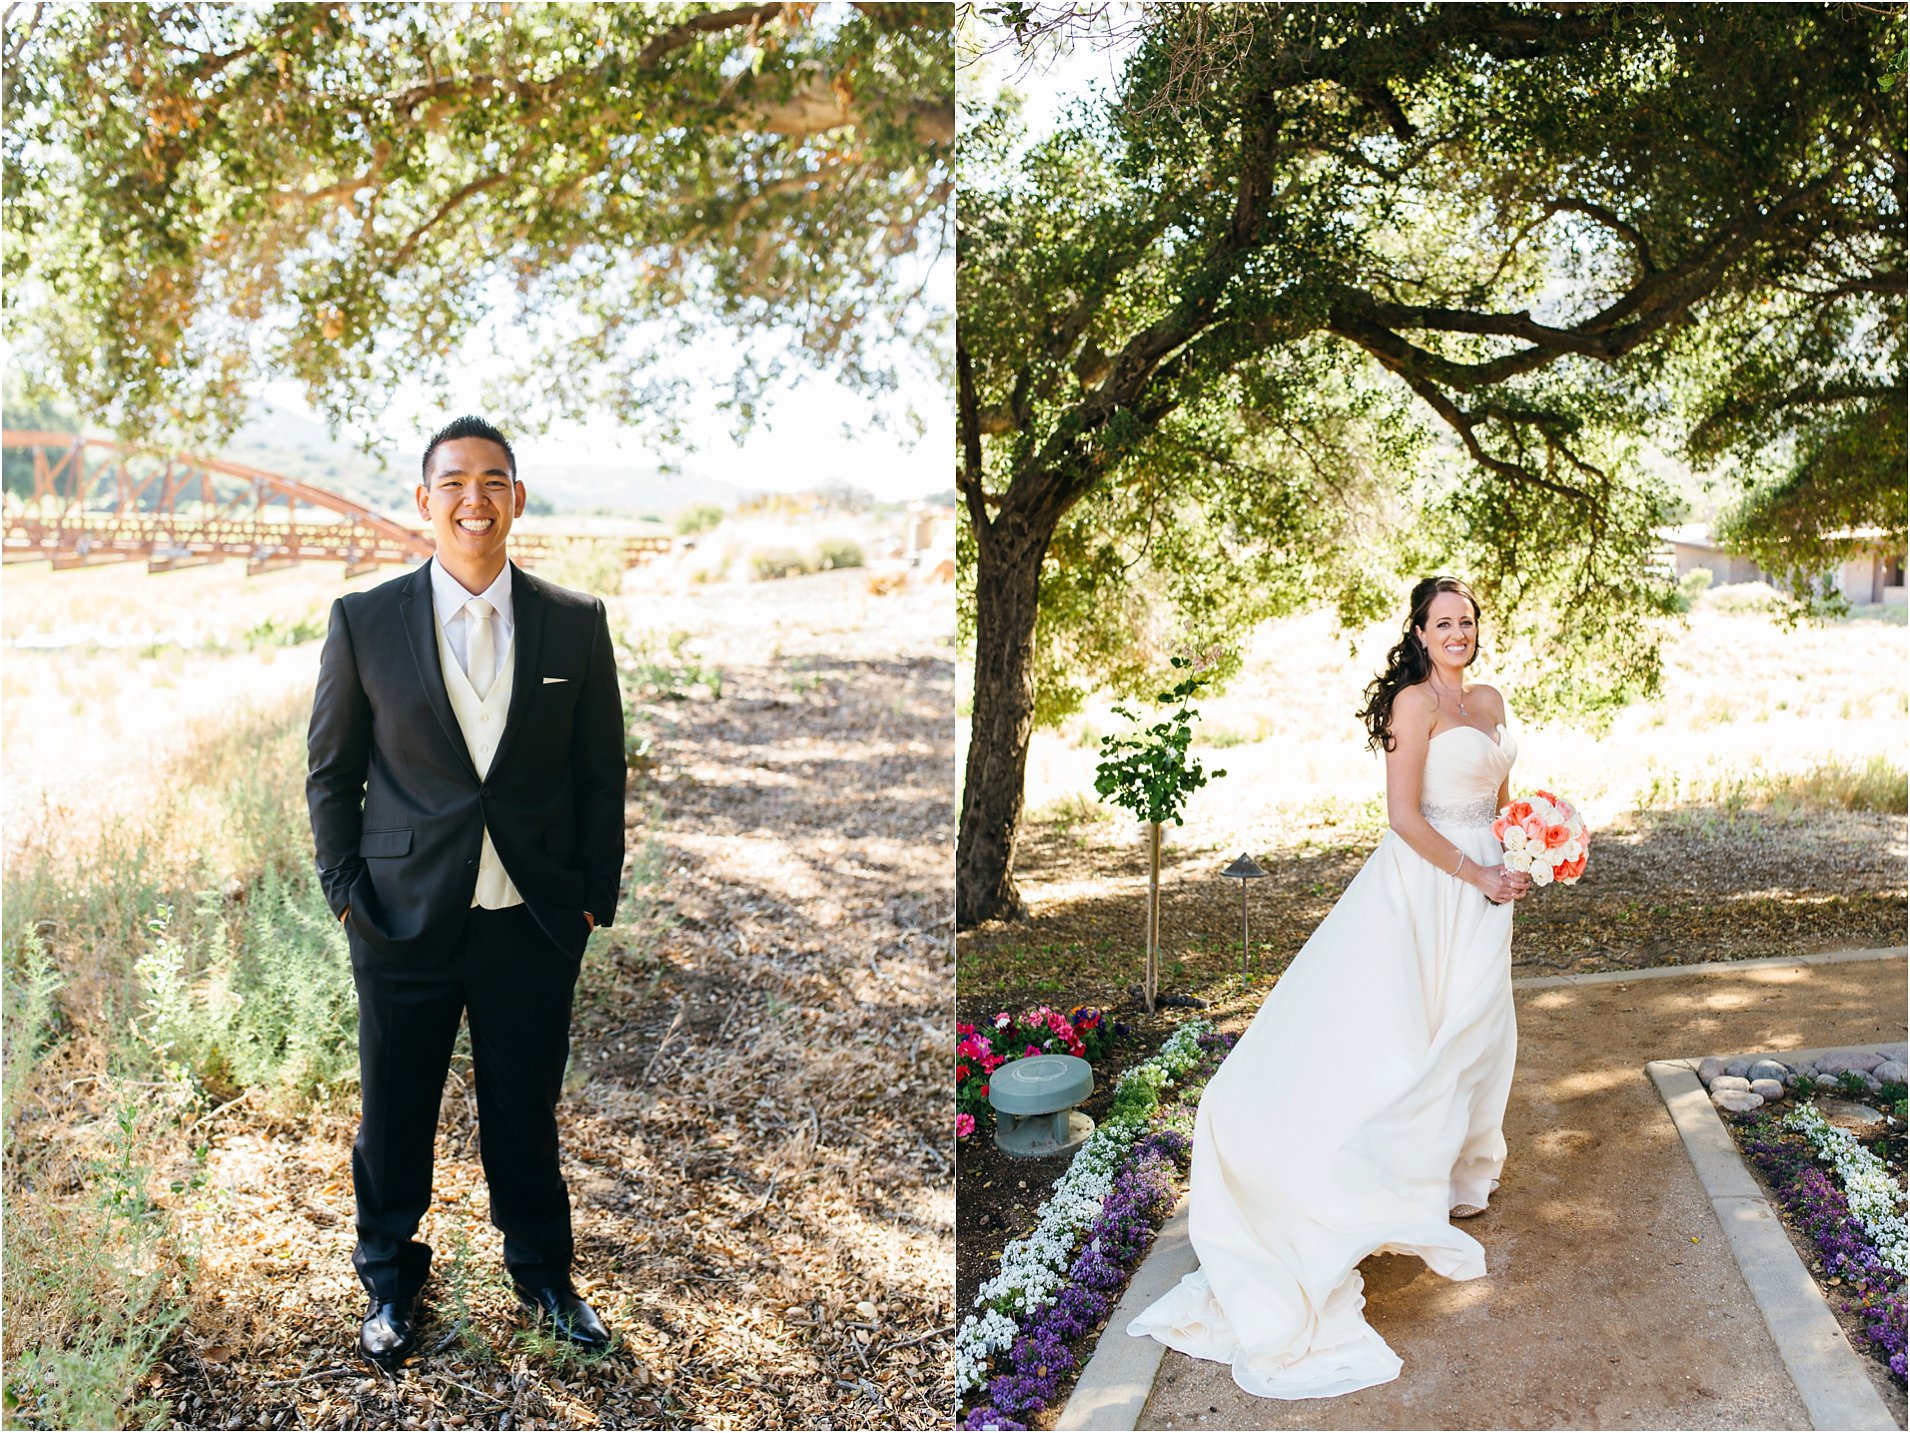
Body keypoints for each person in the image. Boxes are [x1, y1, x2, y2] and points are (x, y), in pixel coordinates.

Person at [1128, 575, 1533, 1399]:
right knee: (1409, 1033)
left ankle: (1457, 1177)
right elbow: (1403, 817)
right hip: (1427, 887)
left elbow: (1502, 799)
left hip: (1489, 888)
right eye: (1442, 621)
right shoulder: (1413, 706)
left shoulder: (1489, 699)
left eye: (1467, 620)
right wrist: (1474, 873)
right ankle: (1383, 1182)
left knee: (1479, 1028)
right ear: (1420, 632)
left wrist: (1527, 847)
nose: (1457, 631)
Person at [307, 415, 626, 1368]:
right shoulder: (364, 621)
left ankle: (544, 1275)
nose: (473, 498)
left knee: (524, 1108)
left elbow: (599, 773)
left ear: (517, 497)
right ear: (425, 500)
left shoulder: (576, 621)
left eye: (493, 480)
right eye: (453, 482)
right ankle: (391, 1281)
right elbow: (332, 773)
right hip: (402, 915)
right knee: (394, 1109)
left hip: (531, 916)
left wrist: (588, 901)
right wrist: (345, 893)